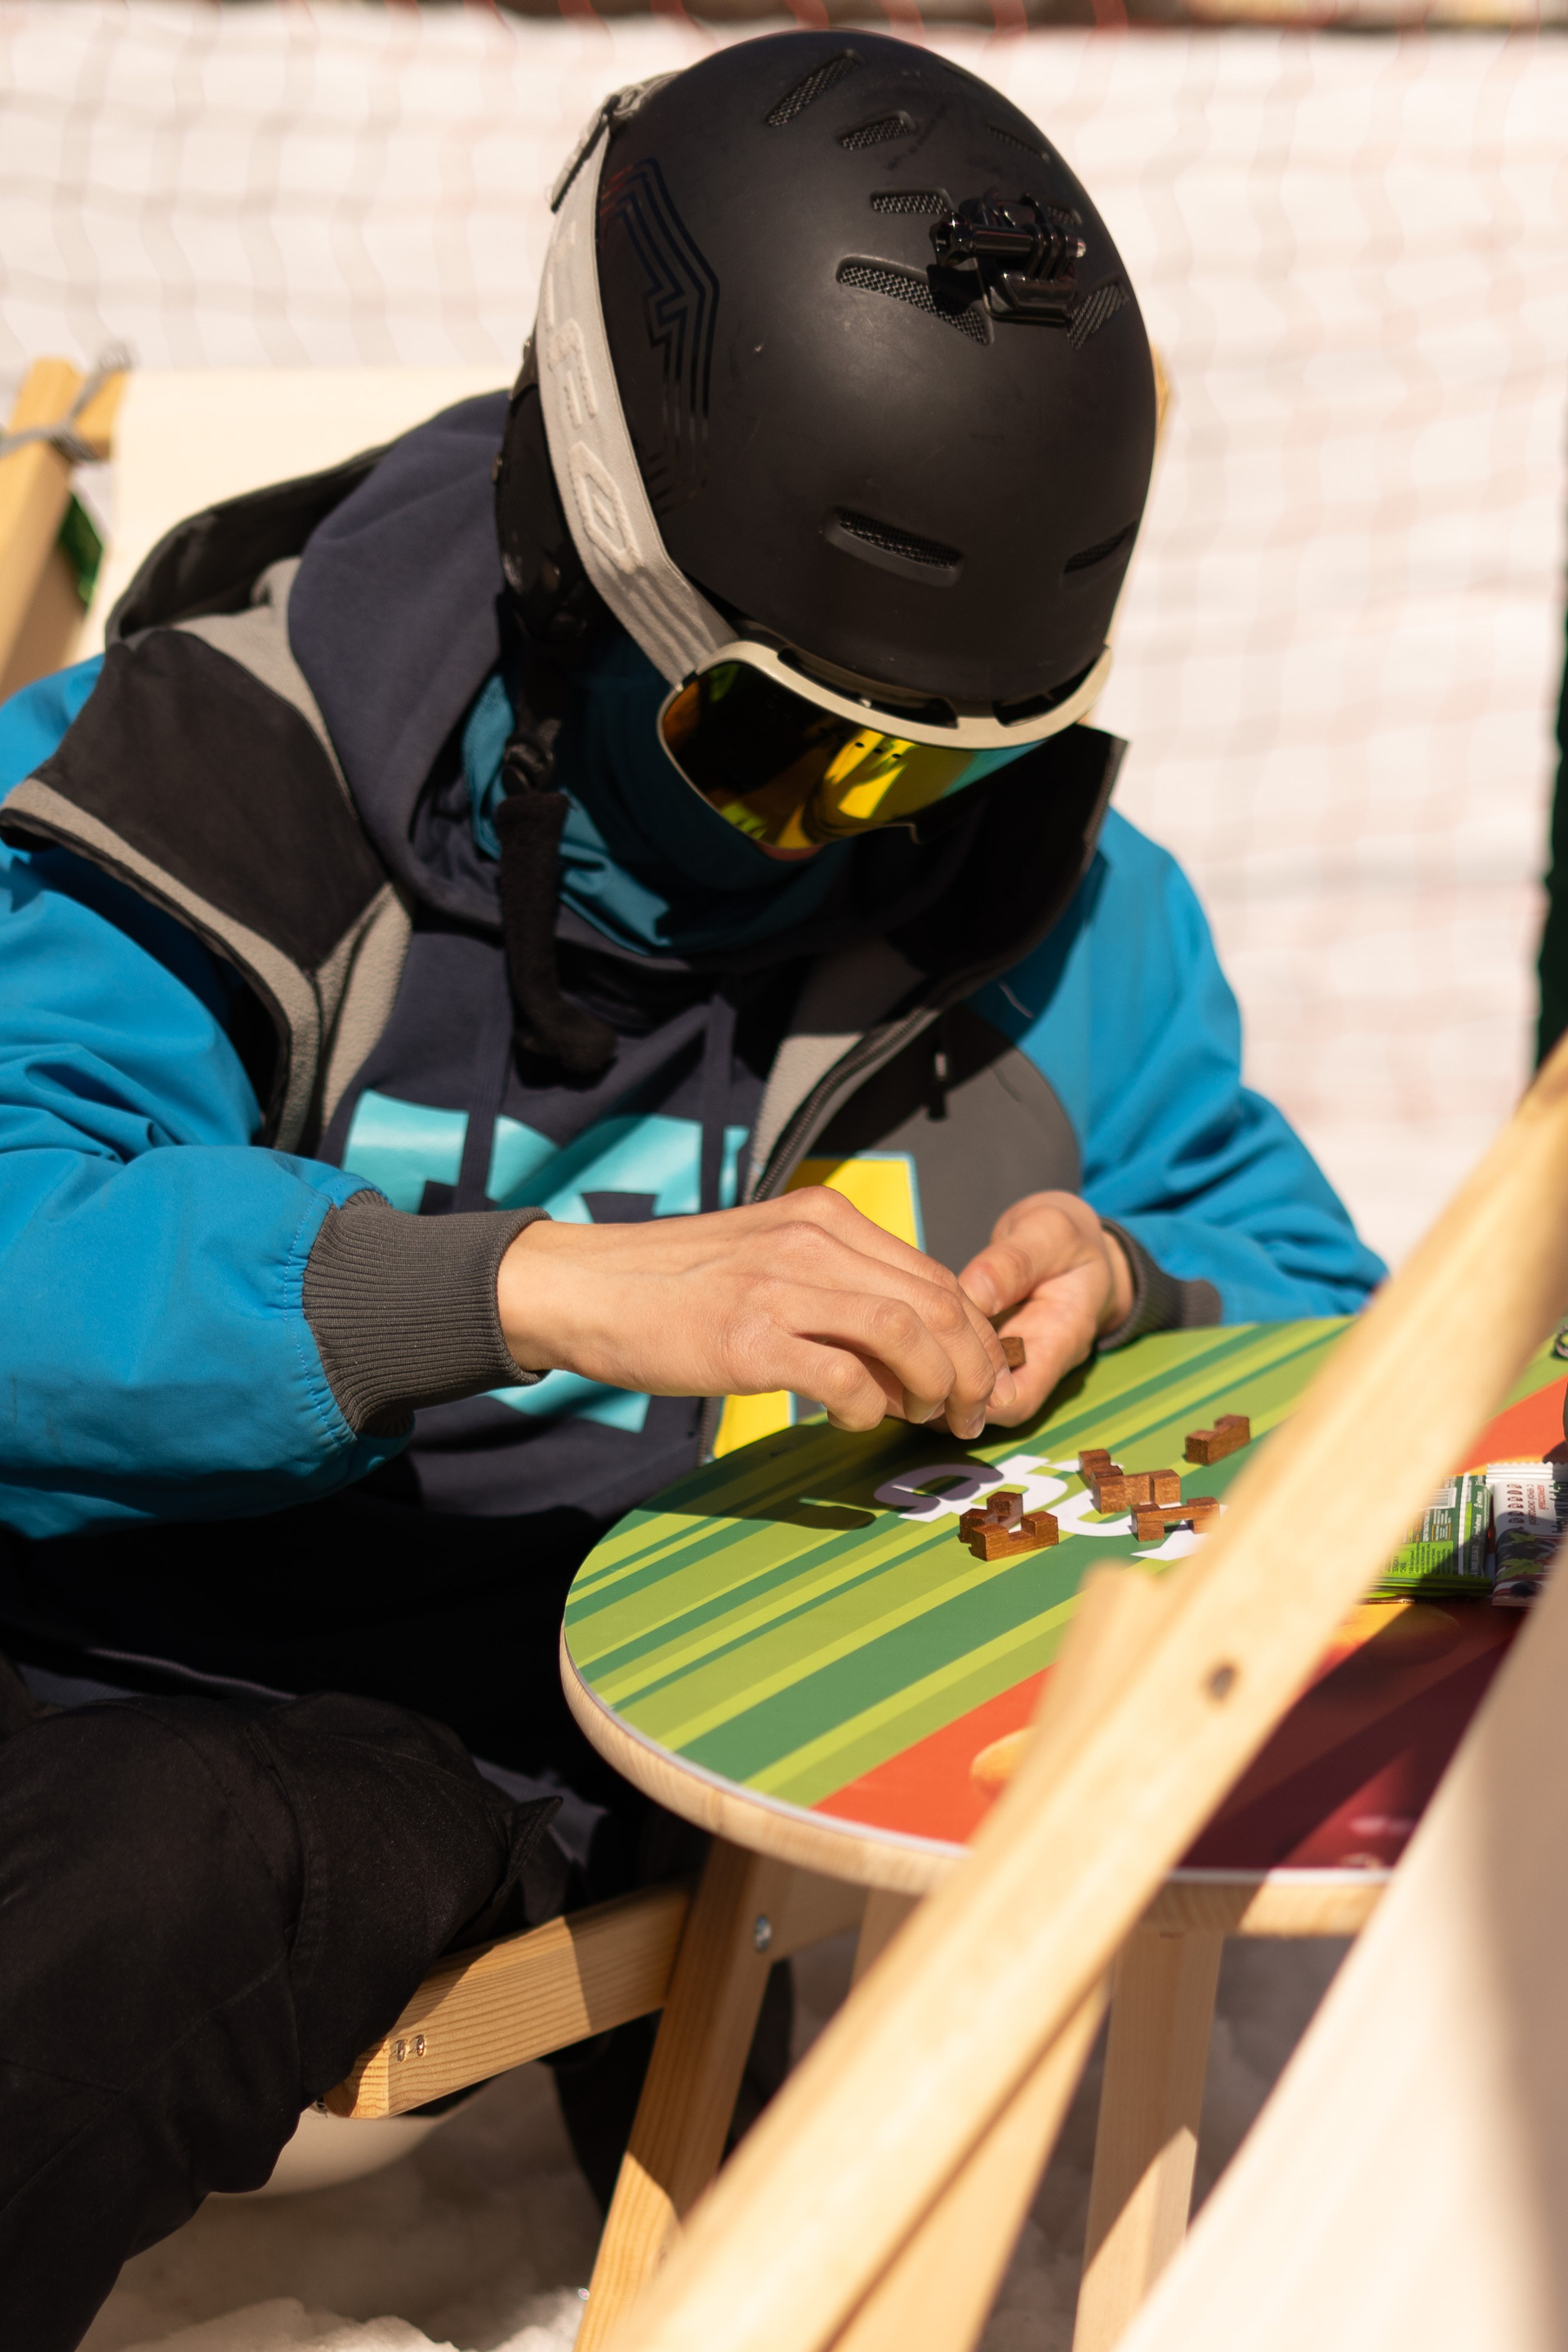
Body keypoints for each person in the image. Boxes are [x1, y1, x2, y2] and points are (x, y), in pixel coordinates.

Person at [0, 29, 1384, 2345]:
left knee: (169, 1869)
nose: (860, 832)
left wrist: (1134, 1289)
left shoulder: (1045, 914)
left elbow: (1340, 1326)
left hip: (458, 1735)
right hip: (79, 1594)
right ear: (575, 564)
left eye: (949, 758)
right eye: (777, 741)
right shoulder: (214, 780)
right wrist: (526, 1290)